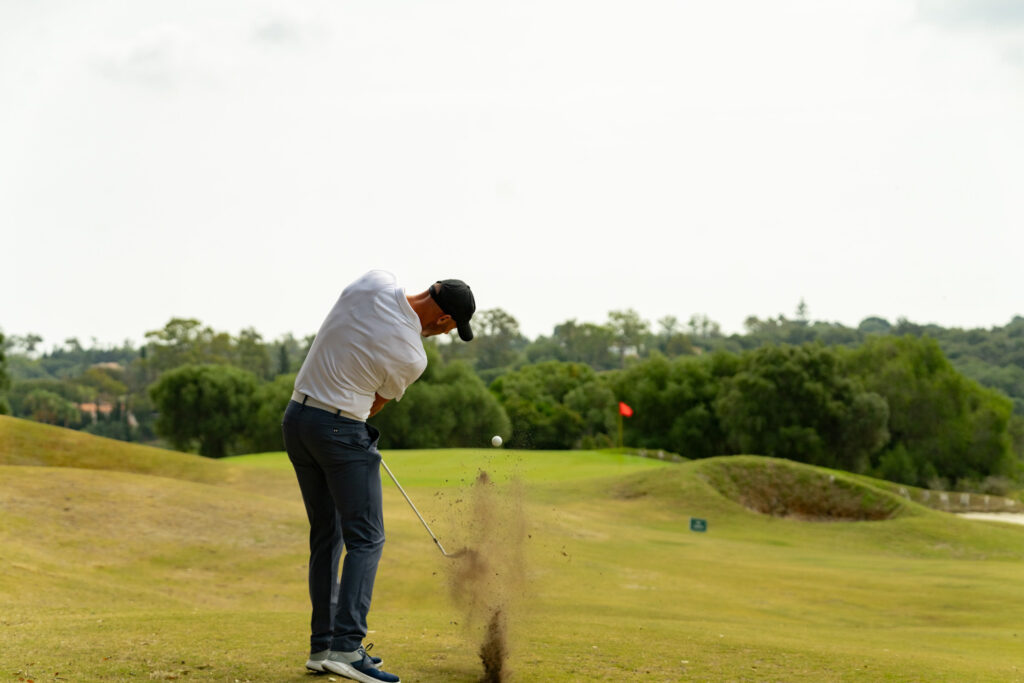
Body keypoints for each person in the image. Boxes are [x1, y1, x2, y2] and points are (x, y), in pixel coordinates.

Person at [281, 270, 476, 683]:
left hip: (297, 418)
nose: (443, 335)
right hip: (340, 432)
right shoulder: (412, 355)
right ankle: (347, 649)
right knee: (367, 538)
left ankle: (322, 647)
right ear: (444, 321)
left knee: (326, 536)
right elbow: (372, 408)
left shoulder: (373, 282)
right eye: (451, 329)